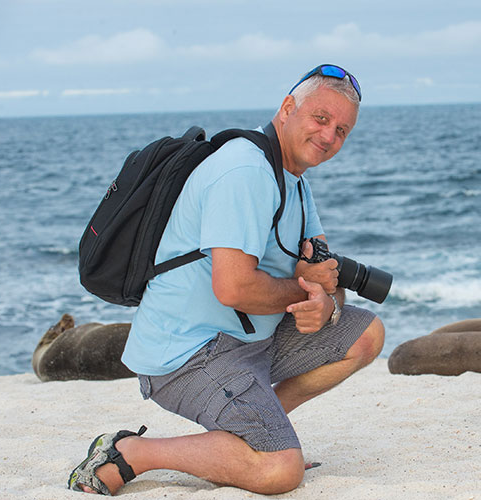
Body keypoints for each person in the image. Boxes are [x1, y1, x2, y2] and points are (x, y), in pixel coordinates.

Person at [68, 64, 385, 495]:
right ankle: (133, 452)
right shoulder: (245, 169)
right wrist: (304, 291)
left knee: (365, 334)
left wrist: (325, 303)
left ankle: (262, 432)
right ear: (288, 108)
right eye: (322, 119)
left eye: (342, 130)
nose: (330, 137)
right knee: (280, 471)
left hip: (251, 341)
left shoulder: (294, 181)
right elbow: (233, 288)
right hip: (191, 353)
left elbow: (321, 272)